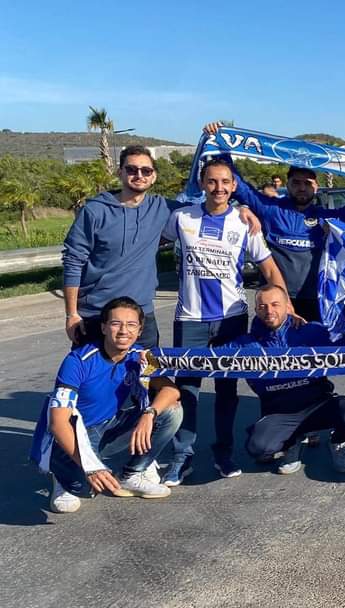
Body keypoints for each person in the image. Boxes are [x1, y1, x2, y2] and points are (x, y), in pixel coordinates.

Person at [160, 157, 290, 485]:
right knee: (187, 389)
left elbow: (269, 268)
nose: (218, 188)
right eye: (212, 181)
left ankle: (223, 450)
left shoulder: (245, 223)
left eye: (225, 182)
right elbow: (149, 238)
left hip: (231, 317)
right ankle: (182, 454)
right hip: (190, 318)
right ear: (202, 184)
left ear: (233, 186)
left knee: (226, 388)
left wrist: (285, 304)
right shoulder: (181, 218)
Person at [61, 145, 260, 348]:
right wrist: (72, 314)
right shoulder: (95, 211)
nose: (139, 175)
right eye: (131, 169)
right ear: (120, 172)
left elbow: (211, 207)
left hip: (141, 315)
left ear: (154, 176)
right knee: (92, 377)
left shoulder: (164, 208)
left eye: (146, 170)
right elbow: (73, 261)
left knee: (147, 378)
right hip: (96, 313)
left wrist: (241, 208)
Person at [202, 121, 345, 324]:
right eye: (296, 182)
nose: (302, 187)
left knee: (316, 354)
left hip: (318, 300)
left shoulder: (326, 218)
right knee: (273, 354)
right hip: (277, 302)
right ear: (287, 185)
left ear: (316, 186)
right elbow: (241, 188)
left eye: (307, 183)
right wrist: (221, 146)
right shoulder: (271, 210)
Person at [30, 296, 183, 513]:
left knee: (172, 411)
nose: (123, 331)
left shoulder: (138, 356)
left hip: (110, 426)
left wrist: (149, 414)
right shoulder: (77, 361)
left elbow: (171, 391)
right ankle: (62, 479)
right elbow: (57, 423)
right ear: (103, 327)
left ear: (139, 331)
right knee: (86, 489)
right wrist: (91, 467)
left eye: (131, 325)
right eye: (116, 323)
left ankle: (131, 475)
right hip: (77, 433)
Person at [228, 284, 345, 474]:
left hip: (318, 405)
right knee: (257, 448)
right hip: (280, 413)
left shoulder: (309, 331)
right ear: (256, 309)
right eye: (262, 306)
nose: (269, 311)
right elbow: (210, 359)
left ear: (287, 306)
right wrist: (188, 359)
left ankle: (337, 442)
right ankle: (291, 443)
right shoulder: (244, 345)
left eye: (275, 304)